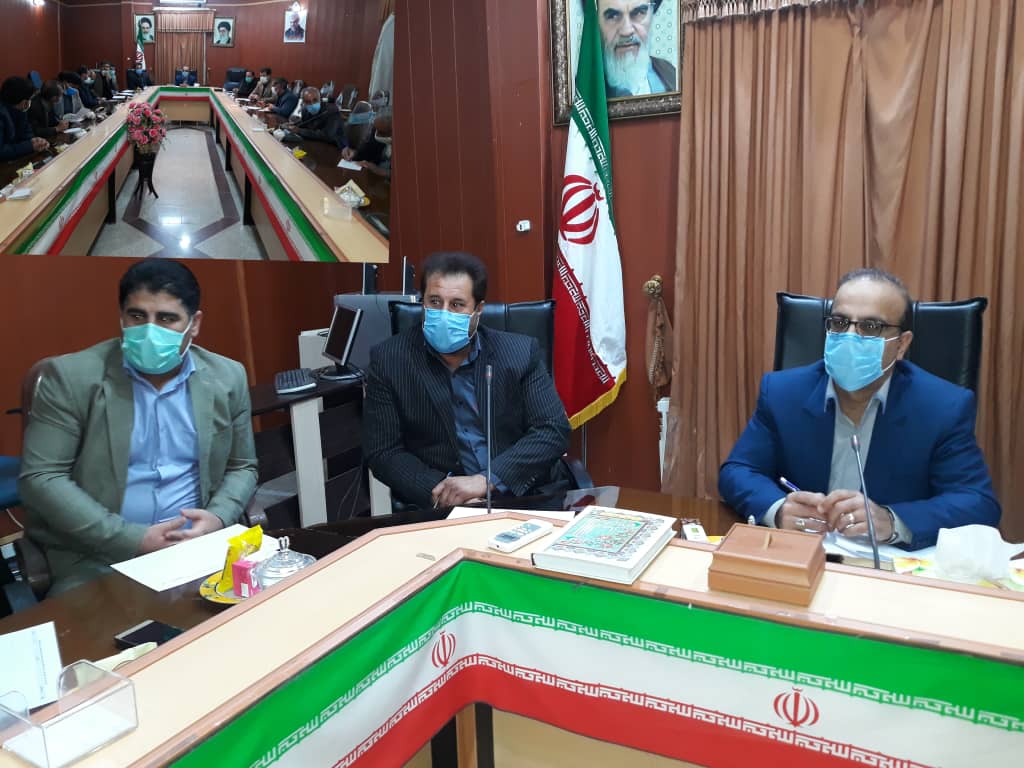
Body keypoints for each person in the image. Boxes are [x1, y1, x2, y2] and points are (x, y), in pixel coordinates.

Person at [18, 258, 258, 595]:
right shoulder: (71, 378)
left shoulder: (227, 376)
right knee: (98, 629)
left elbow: (242, 466)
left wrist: (217, 518)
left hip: (199, 546)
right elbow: (42, 478)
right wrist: (133, 539)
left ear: (194, 324)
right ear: (122, 317)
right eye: (137, 316)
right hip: (98, 556)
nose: (149, 330)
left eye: (167, 319)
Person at [718, 269, 1001, 550]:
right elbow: (738, 470)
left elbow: (977, 502)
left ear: (901, 345)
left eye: (871, 327)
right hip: (801, 553)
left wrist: (892, 520)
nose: (850, 336)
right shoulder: (783, 392)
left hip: (886, 565)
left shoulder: (943, 406)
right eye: (840, 322)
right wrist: (778, 508)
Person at [364, 251, 572, 510]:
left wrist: (487, 480)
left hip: (524, 496)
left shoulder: (519, 353)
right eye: (434, 301)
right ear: (422, 302)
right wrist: (445, 493)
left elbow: (552, 429)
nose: (443, 313)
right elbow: (383, 452)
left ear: (478, 310)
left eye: (457, 305)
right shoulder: (389, 360)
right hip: (444, 505)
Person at [597, 0, 677, 98]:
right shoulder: (585, 90)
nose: (627, 31)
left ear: (652, 12)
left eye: (638, 13)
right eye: (613, 16)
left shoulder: (670, 73)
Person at [0, 76, 48, 161]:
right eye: (30, 99)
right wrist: (30, 146)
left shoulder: (21, 110)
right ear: (24, 102)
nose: (30, 102)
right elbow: (1, 152)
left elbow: (26, 132)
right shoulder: (2, 113)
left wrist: (35, 141)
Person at [342, 114, 391, 178]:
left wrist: (381, 171)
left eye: (382, 133)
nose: (378, 134)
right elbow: (367, 148)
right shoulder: (376, 128)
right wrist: (353, 151)